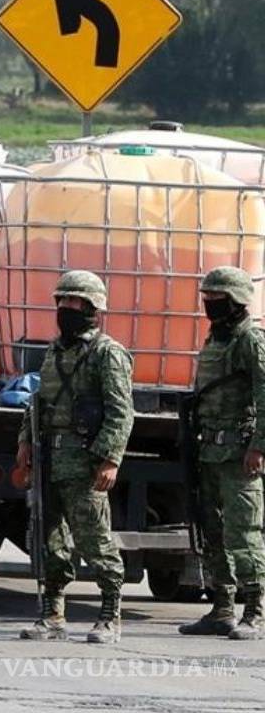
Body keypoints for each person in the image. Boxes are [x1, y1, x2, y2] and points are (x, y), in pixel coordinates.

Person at [16, 270, 134, 644]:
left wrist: (110, 459)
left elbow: (121, 412)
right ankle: (52, 615)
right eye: (62, 301)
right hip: (49, 460)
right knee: (50, 541)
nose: (66, 307)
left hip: (85, 462)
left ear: (92, 307)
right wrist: (24, 443)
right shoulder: (54, 351)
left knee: (94, 540)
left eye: (75, 302)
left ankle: (110, 615)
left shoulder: (108, 353)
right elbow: (38, 403)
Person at [178, 266, 265, 641]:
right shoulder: (215, 339)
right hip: (209, 450)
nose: (210, 303)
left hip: (239, 454)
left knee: (243, 532)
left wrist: (258, 446)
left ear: (237, 301)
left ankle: (254, 610)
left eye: (218, 298)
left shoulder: (251, 341)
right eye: (207, 297)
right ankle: (222, 608)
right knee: (212, 532)